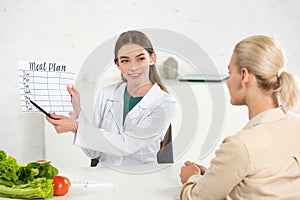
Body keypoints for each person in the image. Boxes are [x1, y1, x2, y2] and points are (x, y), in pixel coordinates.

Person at [179, 35, 300, 199]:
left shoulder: (239, 146)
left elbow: (196, 198)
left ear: (244, 75)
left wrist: (191, 179)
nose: (227, 82)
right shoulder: (296, 125)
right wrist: (216, 178)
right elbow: (268, 185)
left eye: (230, 73)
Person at [46, 30, 178, 166]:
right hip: (105, 176)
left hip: (141, 178)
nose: (133, 67)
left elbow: (127, 144)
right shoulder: (107, 93)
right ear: (118, 65)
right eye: (125, 61)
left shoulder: (166, 103)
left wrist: (76, 127)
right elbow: (93, 152)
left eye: (140, 59)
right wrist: (77, 111)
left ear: (152, 58)